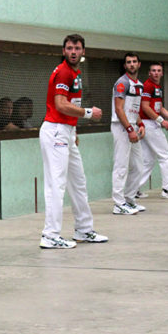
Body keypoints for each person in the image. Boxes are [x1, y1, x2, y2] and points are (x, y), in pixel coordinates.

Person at [39, 34, 107, 249]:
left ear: (83, 51)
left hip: (67, 131)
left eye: (77, 48)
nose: (73, 51)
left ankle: (84, 230)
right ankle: (50, 235)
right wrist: (88, 113)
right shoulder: (64, 73)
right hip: (56, 131)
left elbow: (70, 103)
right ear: (63, 51)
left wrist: (74, 130)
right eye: (69, 48)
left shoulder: (76, 73)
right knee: (56, 185)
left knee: (78, 182)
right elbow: (60, 104)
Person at [136, 62, 168, 199]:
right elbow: (145, 107)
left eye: (159, 70)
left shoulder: (157, 87)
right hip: (149, 124)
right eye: (153, 70)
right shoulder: (147, 85)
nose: (156, 73)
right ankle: (167, 190)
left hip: (150, 124)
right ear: (149, 73)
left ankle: (133, 190)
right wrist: (161, 121)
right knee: (165, 156)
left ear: (162, 73)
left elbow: (160, 108)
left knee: (148, 160)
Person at [110, 53, 147, 215]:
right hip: (121, 127)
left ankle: (130, 199)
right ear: (125, 66)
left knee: (139, 165)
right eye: (128, 62)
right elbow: (119, 109)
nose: (131, 64)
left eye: (134, 62)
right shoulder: (122, 83)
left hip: (132, 126)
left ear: (139, 64)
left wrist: (140, 124)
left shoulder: (139, 84)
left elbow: (134, 108)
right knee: (121, 166)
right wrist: (130, 129)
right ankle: (118, 204)